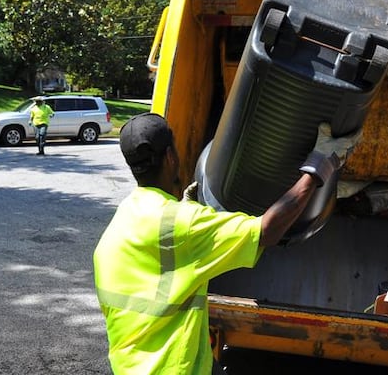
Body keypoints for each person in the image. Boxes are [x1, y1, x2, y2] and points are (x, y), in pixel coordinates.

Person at [93, 112, 361, 374]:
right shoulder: (182, 224)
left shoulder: (119, 225)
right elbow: (266, 231)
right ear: (170, 157)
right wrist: (319, 166)